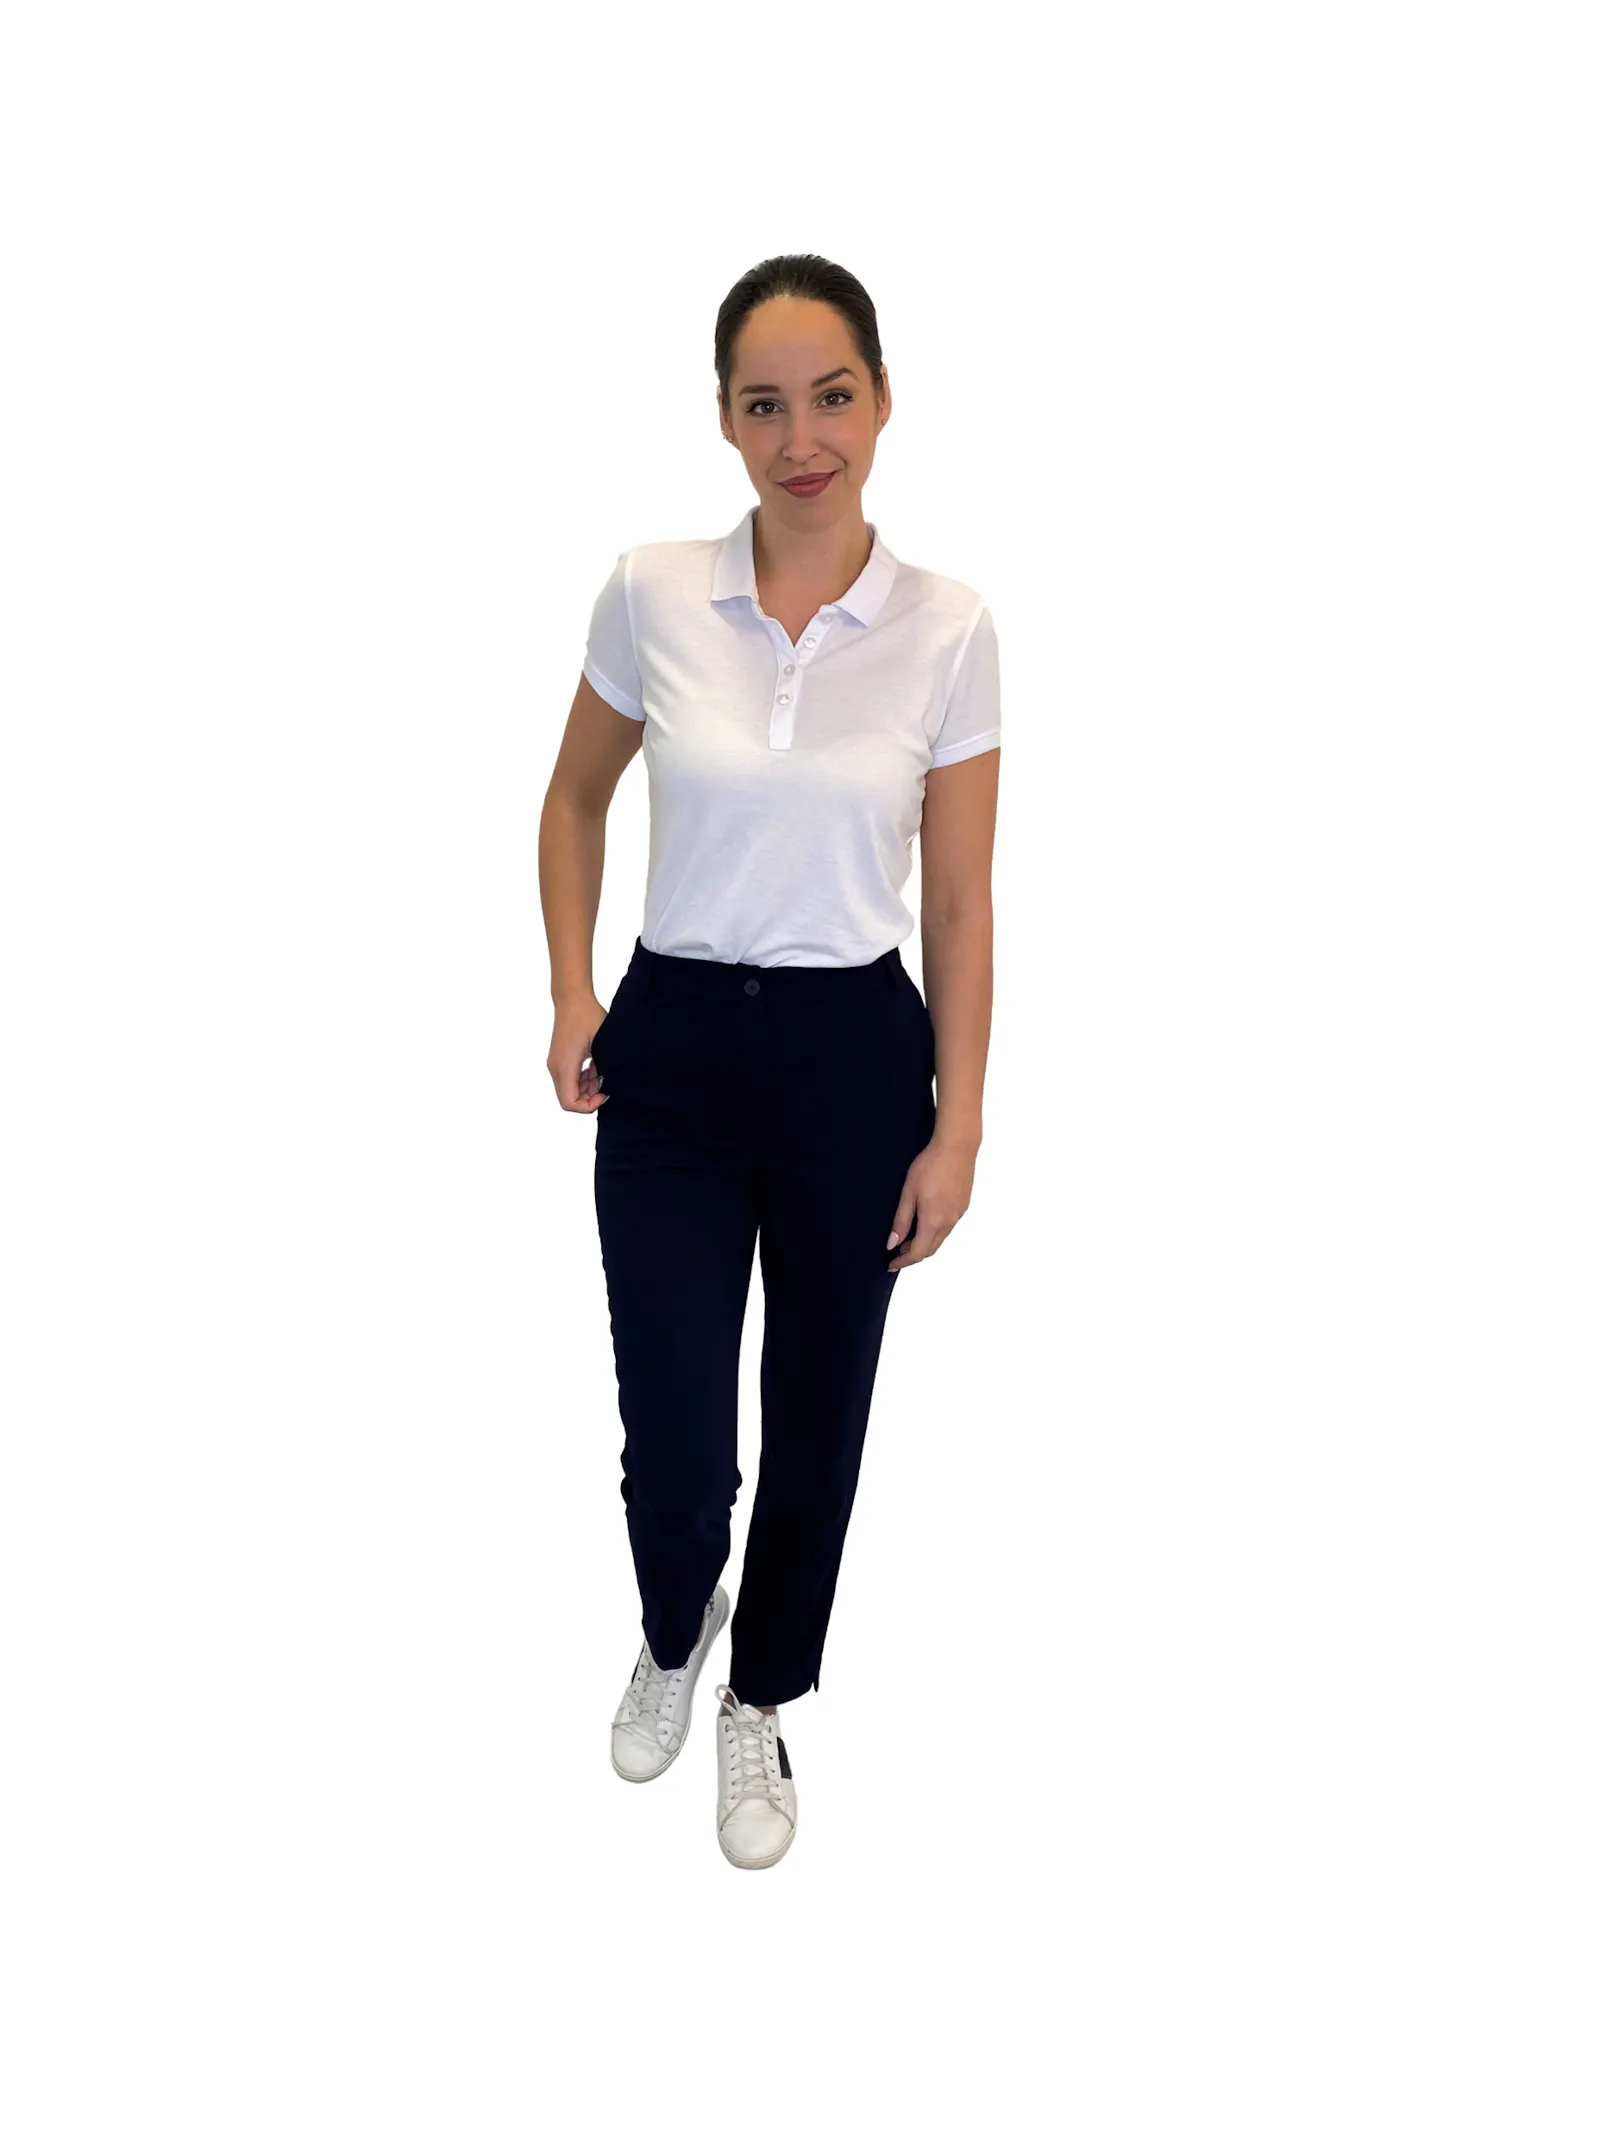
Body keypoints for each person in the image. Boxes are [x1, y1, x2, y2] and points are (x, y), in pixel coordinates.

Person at [539, 253, 1001, 1869]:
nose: (802, 439)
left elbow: (959, 896)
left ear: (881, 401)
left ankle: (763, 1690)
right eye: (765, 404)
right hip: (670, 1057)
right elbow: (574, 799)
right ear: (727, 420)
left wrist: (958, 1123)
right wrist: (571, 990)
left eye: (832, 397)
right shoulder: (652, 590)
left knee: (819, 1416)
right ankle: (678, 1623)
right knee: (674, 1433)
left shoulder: (948, 629)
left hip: (852, 1064)